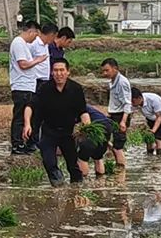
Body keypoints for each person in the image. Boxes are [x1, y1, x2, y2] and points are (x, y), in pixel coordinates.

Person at [23, 58, 89, 186]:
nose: (59, 74)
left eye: (62, 70)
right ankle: (58, 187)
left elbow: (83, 111)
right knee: (49, 162)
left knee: (73, 166)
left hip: (68, 133)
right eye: (55, 70)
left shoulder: (76, 89)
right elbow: (30, 106)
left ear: (68, 72)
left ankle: (76, 191)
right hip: (49, 131)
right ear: (52, 73)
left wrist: (87, 127)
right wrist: (27, 124)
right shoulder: (44, 88)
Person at [8, 20, 47, 154]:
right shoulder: (18, 43)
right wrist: (38, 60)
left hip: (27, 86)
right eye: (35, 35)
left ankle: (22, 144)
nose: (35, 38)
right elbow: (23, 64)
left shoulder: (23, 44)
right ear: (31, 31)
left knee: (26, 116)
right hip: (21, 86)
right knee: (19, 117)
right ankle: (17, 145)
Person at [28, 22, 57, 143]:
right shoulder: (34, 44)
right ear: (50, 35)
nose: (54, 39)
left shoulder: (45, 45)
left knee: (42, 113)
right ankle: (31, 141)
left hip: (45, 82)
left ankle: (39, 140)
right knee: (35, 112)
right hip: (36, 82)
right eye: (54, 36)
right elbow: (28, 61)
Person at [100, 58, 132, 169]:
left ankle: (121, 171)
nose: (105, 73)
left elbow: (127, 103)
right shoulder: (112, 81)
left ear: (115, 69)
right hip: (114, 114)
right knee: (109, 140)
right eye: (103, 71)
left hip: (121, 115)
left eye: (107, 70)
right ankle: (119, 167)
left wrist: (123, 121)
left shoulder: (122, 82)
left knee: (118, 146)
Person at [131, 87, 161, 156]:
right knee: (149, 139)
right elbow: (129, 113)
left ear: (139, 98)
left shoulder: (153, 99)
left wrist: (153, 130)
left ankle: (159, 158)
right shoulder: (134, 103)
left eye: (133, 101)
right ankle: (149, 156)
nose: (132, 103)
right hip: (151, 118)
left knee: (158, 138)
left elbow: (159, 117)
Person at [77, 104, 114, 177]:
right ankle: (100, 181)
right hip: (107, 125)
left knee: (83, 156)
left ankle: (82, 181)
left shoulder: (76, 107)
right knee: (98, 156)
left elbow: (86, 123)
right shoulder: (86, 106)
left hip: (94, 127)